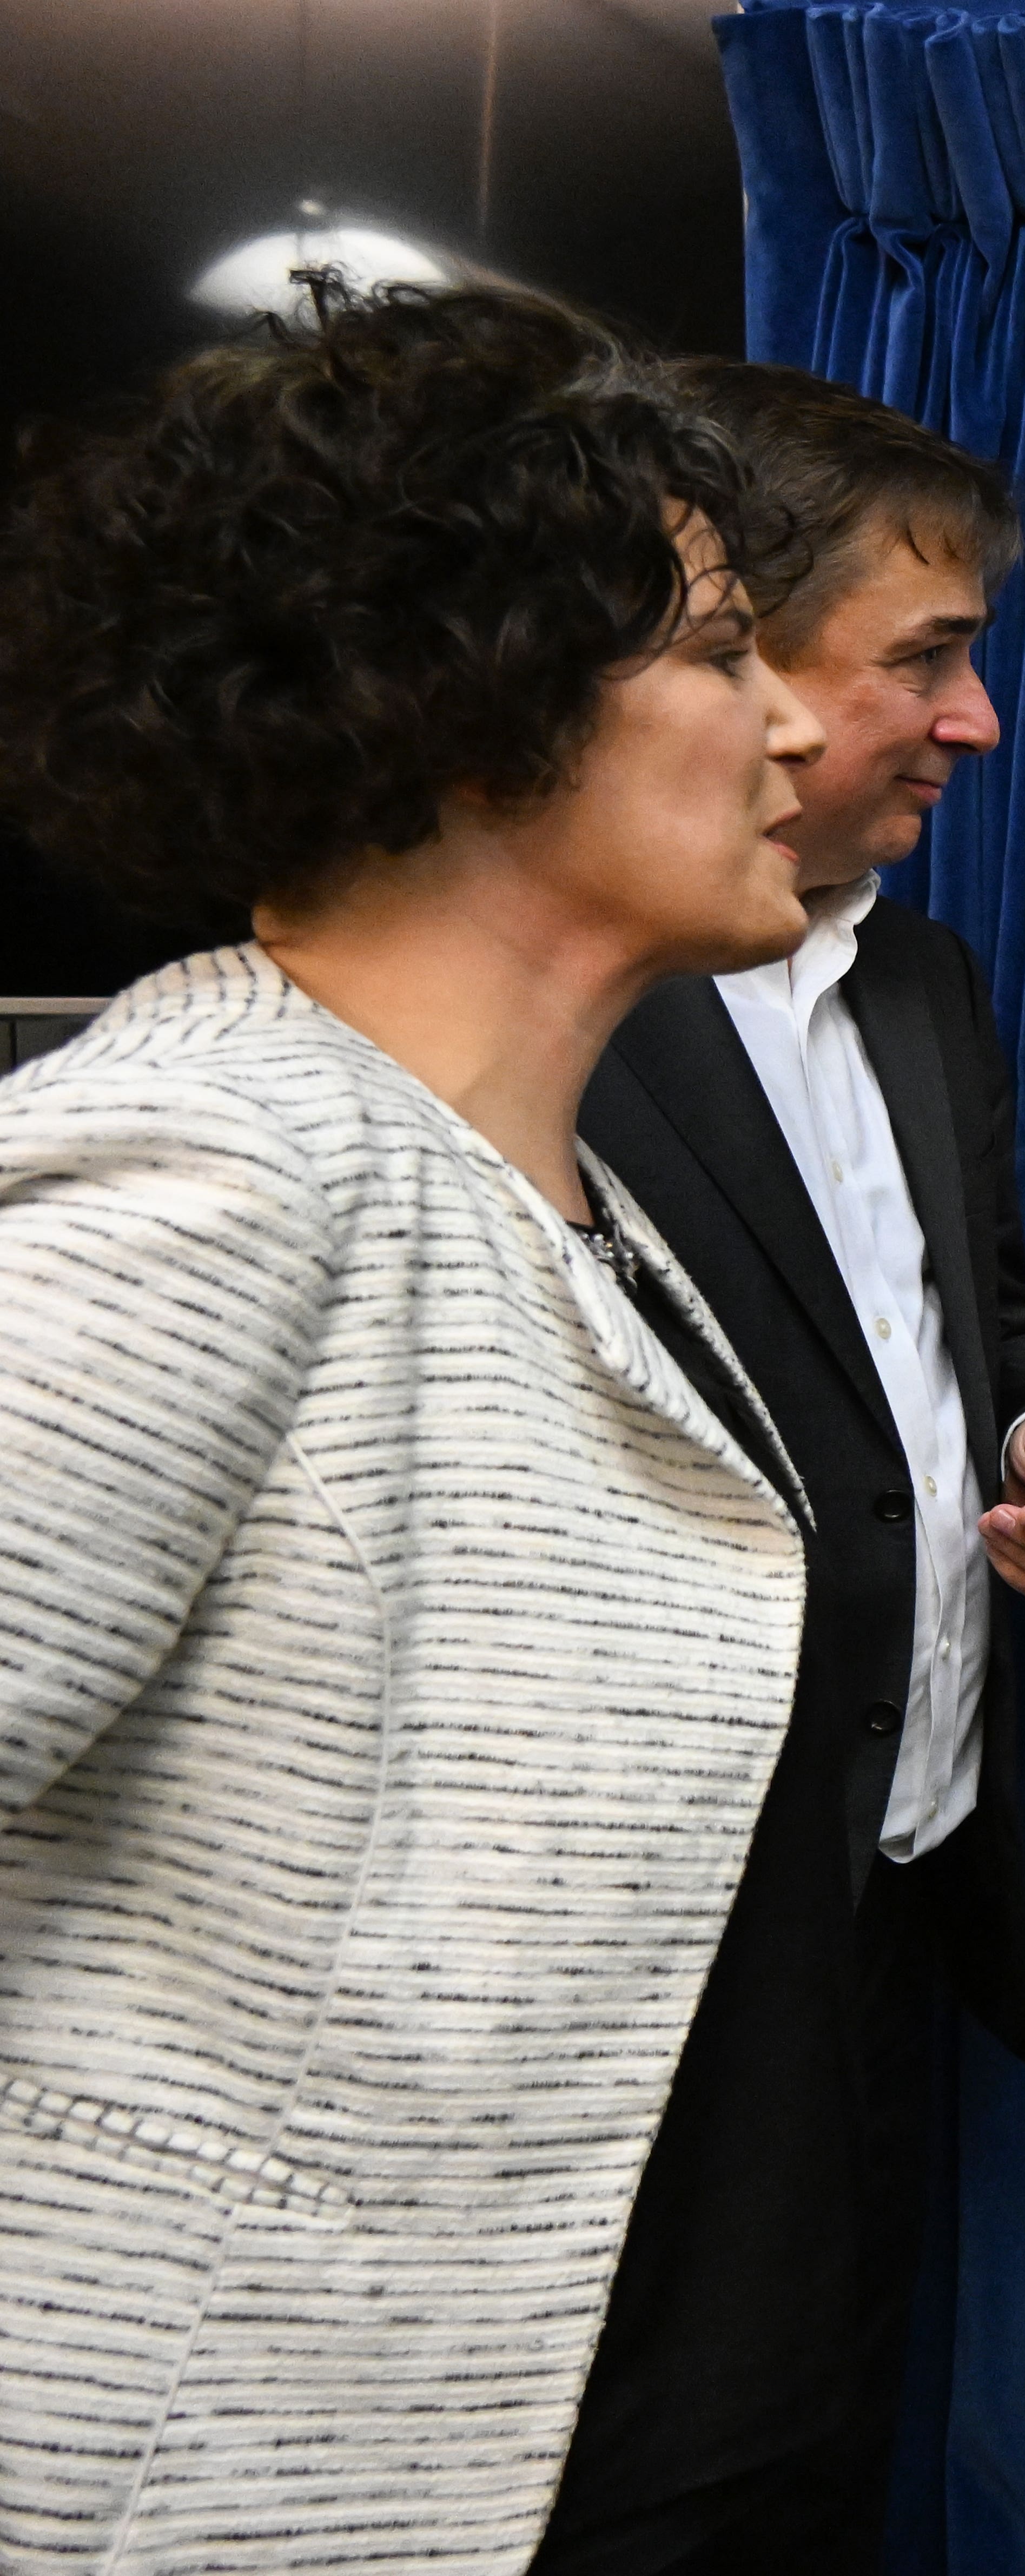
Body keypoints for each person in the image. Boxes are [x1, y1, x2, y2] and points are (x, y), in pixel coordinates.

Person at [0, 291, 823, 2564]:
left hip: (567, 2426)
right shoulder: (219, 1170)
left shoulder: (567, 1186)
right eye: (727, 650)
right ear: (475, 703)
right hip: (195, 2458)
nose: (797, 726)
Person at [546, 365, 1025, 2570]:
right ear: (727, 667)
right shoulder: (547, 1014)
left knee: (809, 2475)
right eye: (922, 660)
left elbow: (969, 1308)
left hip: (892, 1902)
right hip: (654, 1962)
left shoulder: (925, 984)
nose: (973, 721)